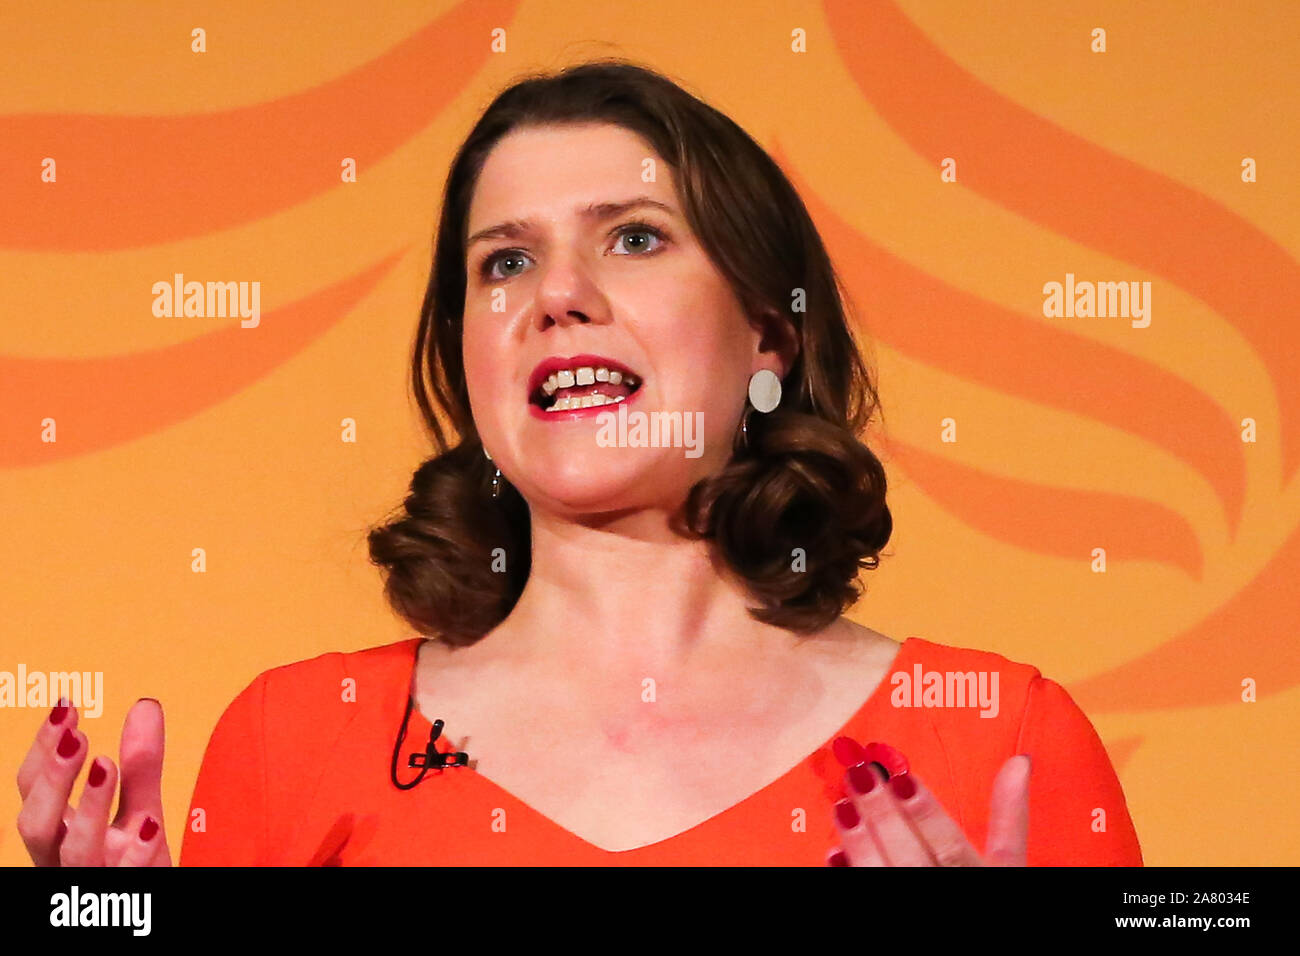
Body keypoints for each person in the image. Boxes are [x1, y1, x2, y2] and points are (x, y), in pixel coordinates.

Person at [15, 60, 1142, 866]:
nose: (558, 295)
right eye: (504, 261)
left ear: (769, 332)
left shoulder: (1002, 739)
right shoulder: (291, 740)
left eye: (635, 236)